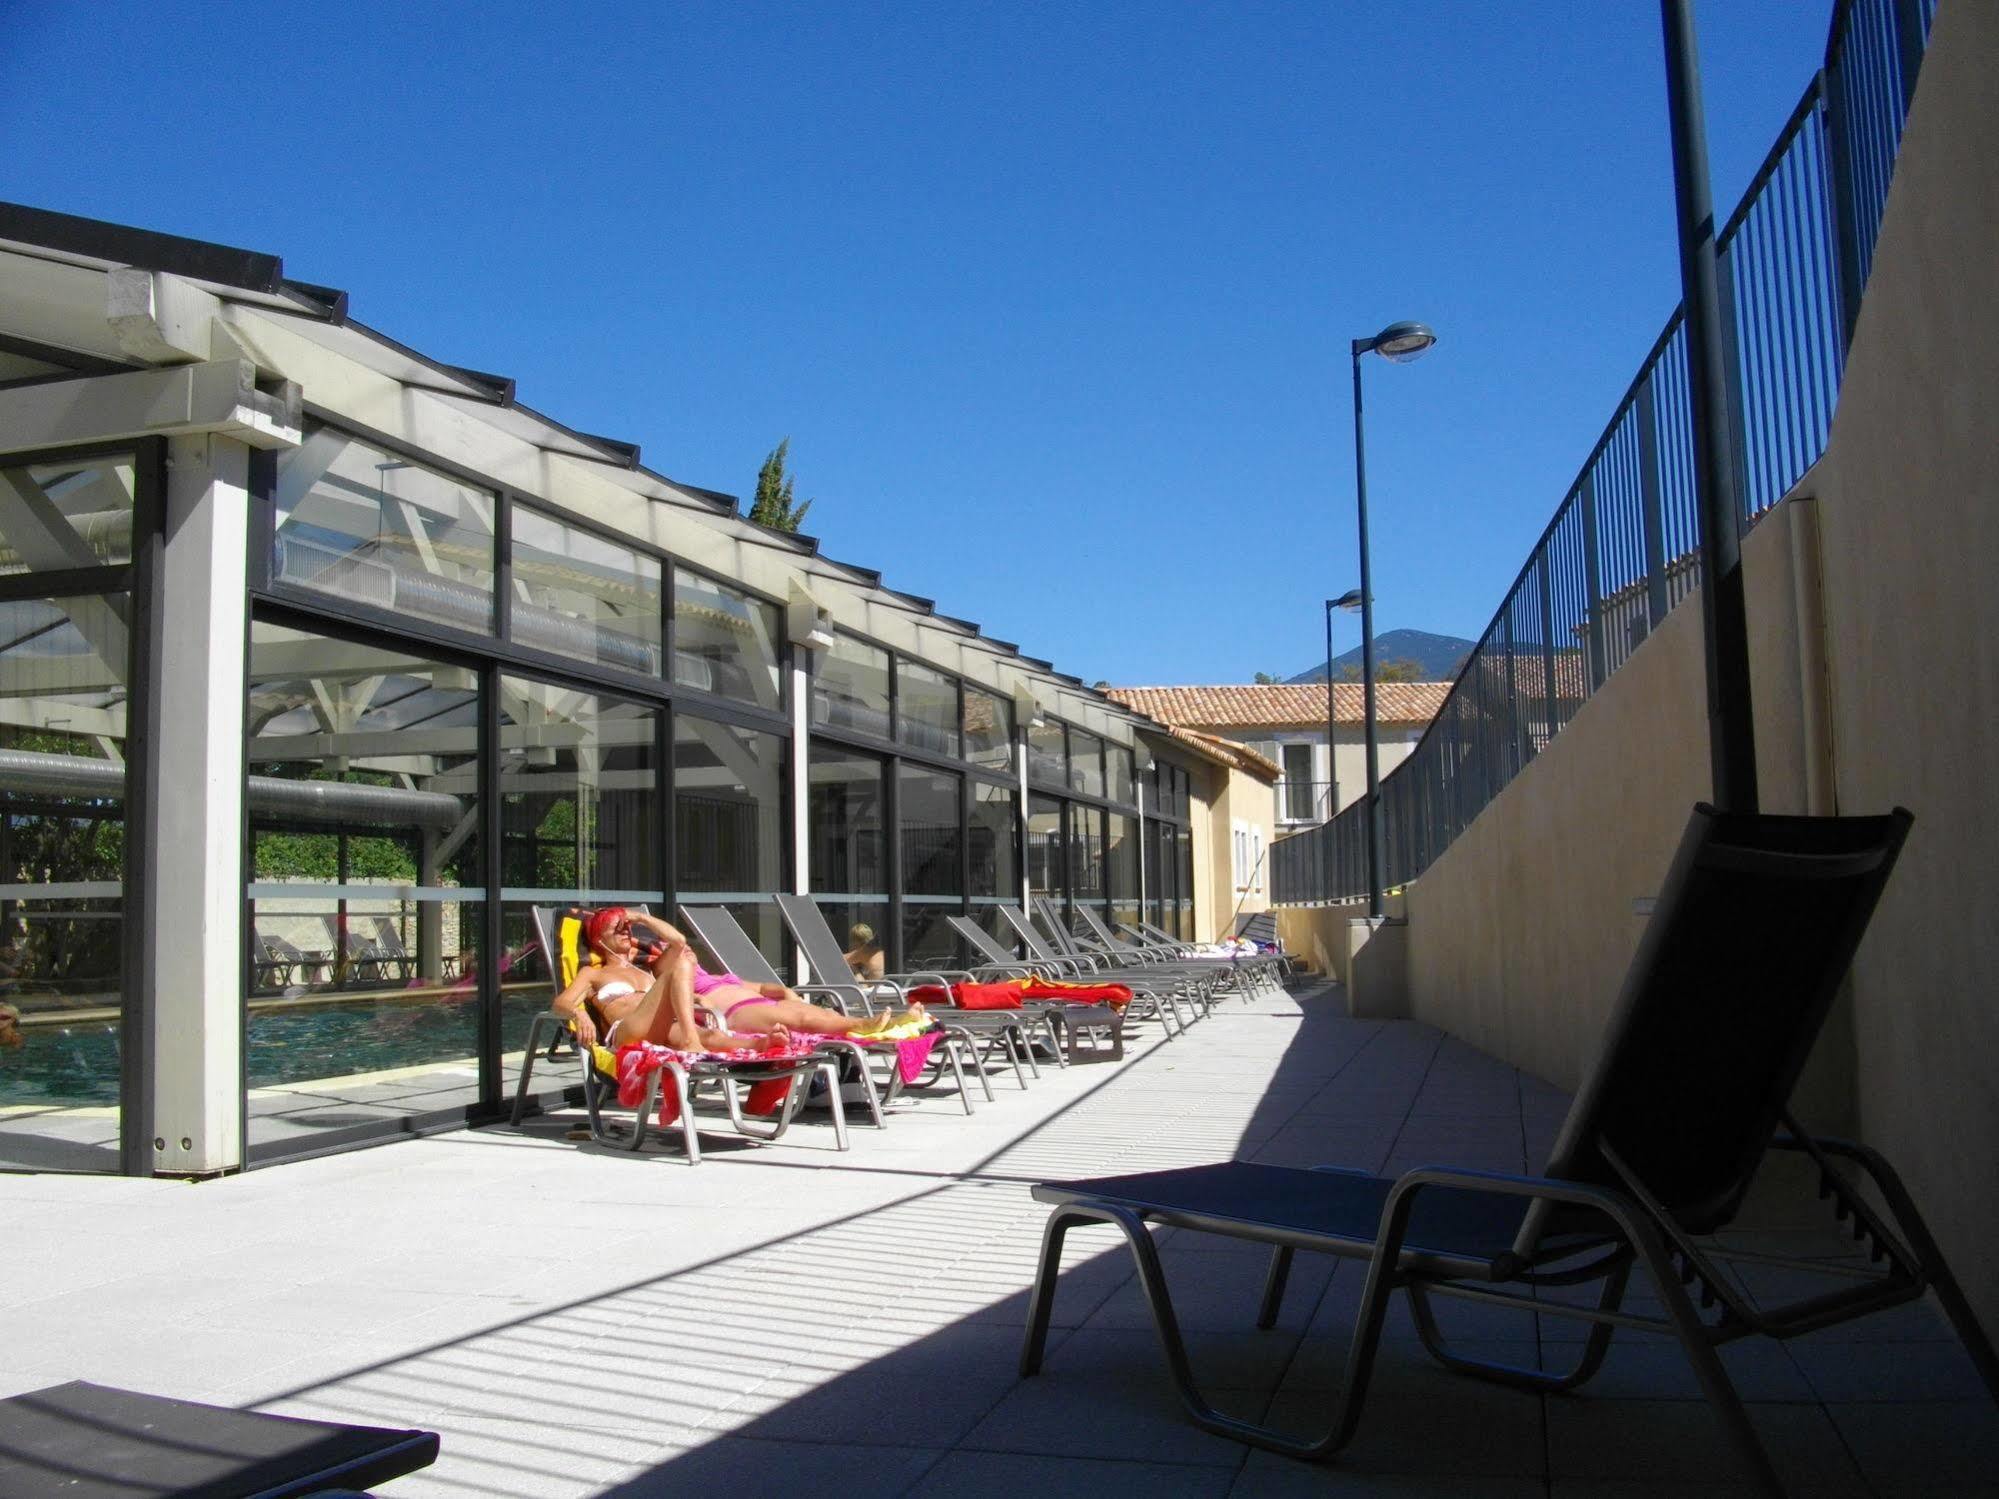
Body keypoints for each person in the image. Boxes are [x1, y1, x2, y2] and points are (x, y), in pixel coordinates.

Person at [558, 908, 922, 1053]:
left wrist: (641, 918)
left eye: (627, 928)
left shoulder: (643, 971)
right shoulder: (595, 973)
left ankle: (763, 1047)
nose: (625, 932)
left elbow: (679, 943)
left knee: (713, 1035)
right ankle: (692, 1039)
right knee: (682, 967)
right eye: (615, 928)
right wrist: (582, 1015)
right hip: (627, 1029)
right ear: (596, 939)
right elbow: (561, 1002)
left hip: (662, 1022)